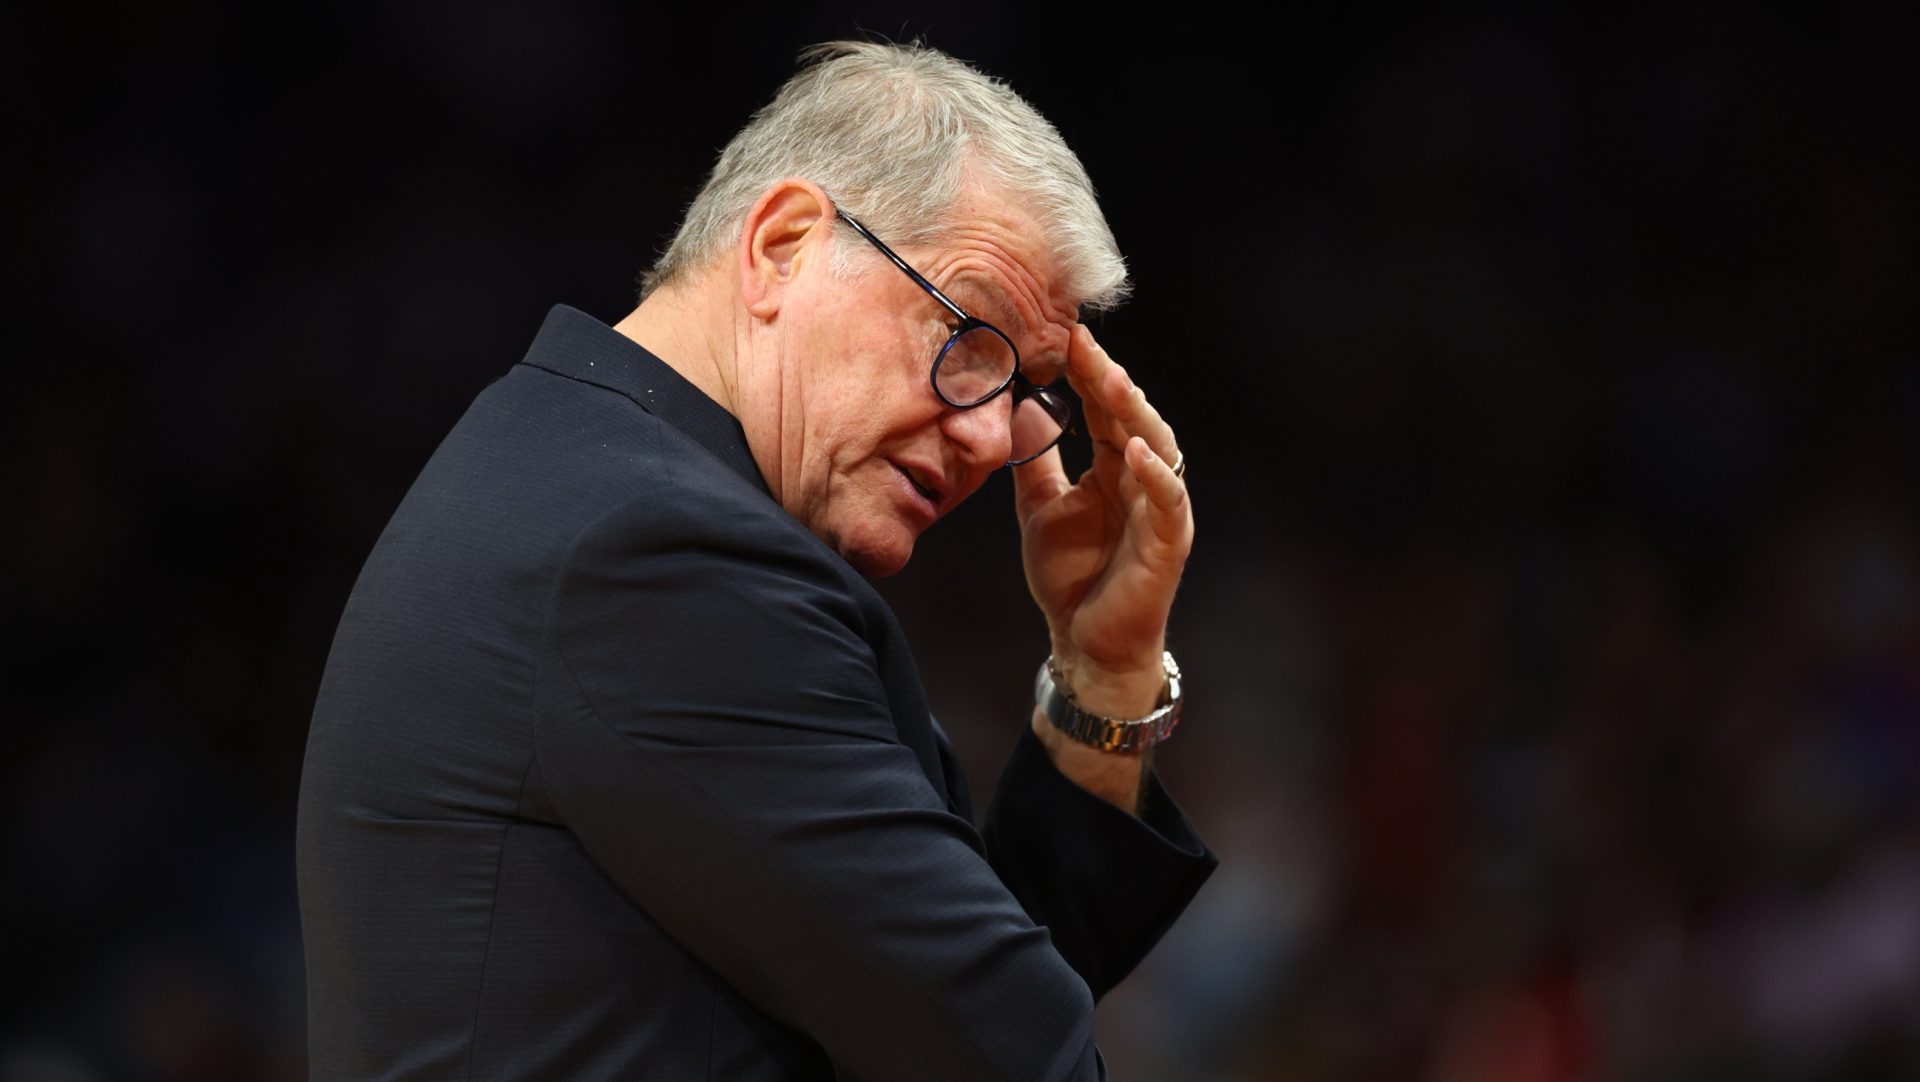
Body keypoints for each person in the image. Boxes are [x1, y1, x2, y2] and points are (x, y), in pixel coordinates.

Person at [297, 40, 1214, 1080]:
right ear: (782, 245)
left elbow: (960, 994)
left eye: (1021, 389)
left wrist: (1103, 673)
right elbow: (1007, 1055)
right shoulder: (662, 563)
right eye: (967, 339)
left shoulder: (573, 473)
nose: (989, 435)